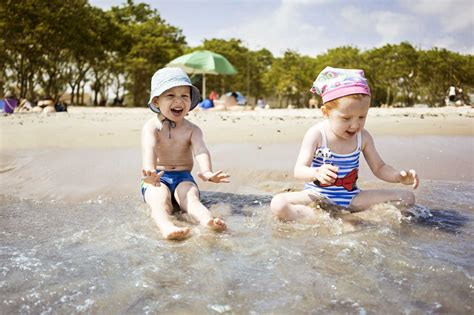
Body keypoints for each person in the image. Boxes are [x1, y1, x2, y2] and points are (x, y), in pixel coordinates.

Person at [271, 66, 419, 221]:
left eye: (362, 117)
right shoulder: (317, 134)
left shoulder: (363, 137)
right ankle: (318, 216)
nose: (355, 125)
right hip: (317, 196)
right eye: (346, 118)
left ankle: (350, 217)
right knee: (278, 203)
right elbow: (299, 170)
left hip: (352, 197)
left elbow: (379, 168)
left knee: (407, 197)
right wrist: (316, 173)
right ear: (326, 113)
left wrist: (398, 177)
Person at [141, 67, 229, 240]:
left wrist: (207, 171)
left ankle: (208, 221)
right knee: (159, 202)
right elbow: (149, 148)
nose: (178, 101)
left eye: (184, 96)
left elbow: (201, 150)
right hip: (158, 177)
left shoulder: (192, 129)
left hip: (183, 176)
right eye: (171, 95)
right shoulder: (151, 127)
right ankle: (166, 227)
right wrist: (150, 171)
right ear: (157, 102)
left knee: (191, 199)